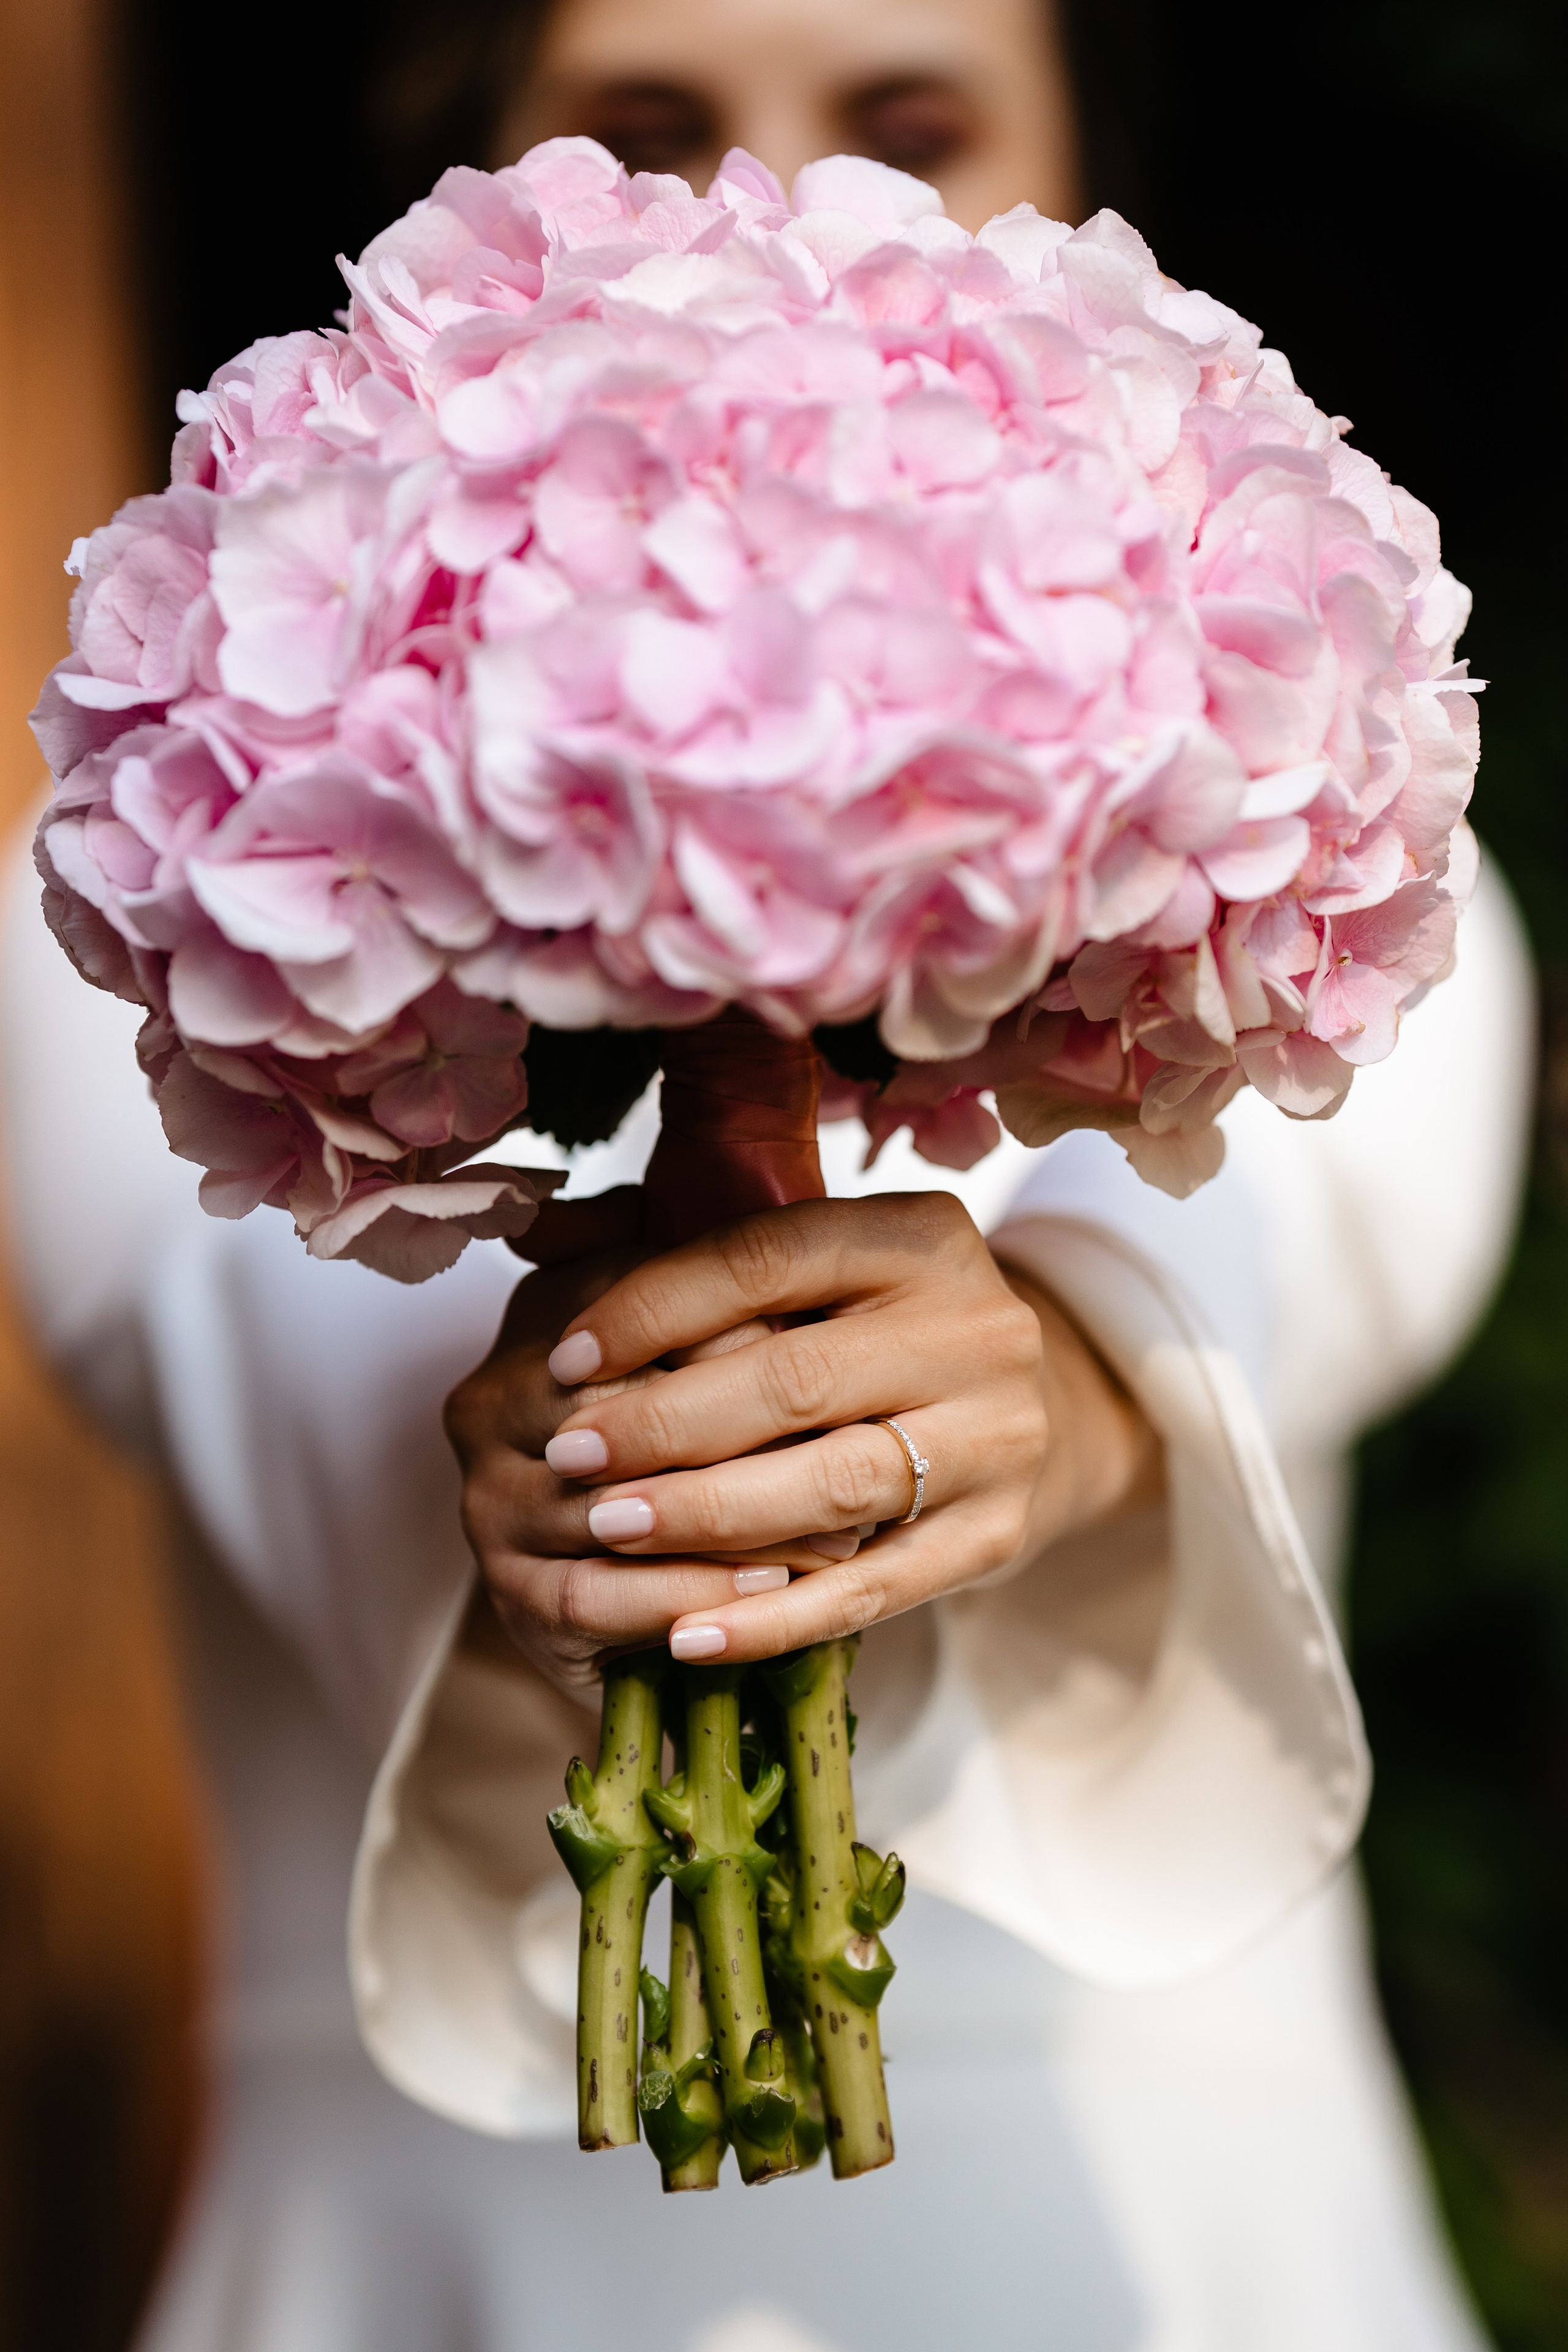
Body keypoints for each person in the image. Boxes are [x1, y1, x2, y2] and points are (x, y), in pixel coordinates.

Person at [1, 3, 1536, 2348]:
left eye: (912, 134)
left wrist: (1080, 1383)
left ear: (1079, 197)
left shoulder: (1277, 690)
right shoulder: (171, 794)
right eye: (646, 133)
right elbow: (213, 1304)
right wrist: (572, 1464)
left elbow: (1310, 1212)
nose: (783, 214)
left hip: (1171, 2250)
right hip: (426, 2263)